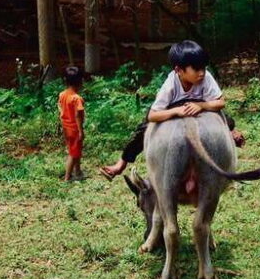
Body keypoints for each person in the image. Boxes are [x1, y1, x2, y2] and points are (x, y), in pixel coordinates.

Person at [100, 40, 244, 180]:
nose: (201, 73)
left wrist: (201, 106)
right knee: (142, 131)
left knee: (228, 120)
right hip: (174, 109)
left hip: (201, 109)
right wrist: (176, 112)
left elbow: (220, 102)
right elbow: (152, 115)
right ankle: (121, 164)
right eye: (196, 69)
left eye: (203, 68)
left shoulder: (206, 77)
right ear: (179, 70)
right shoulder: (170, 84)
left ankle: (229, 133)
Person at [58, 66, 86, 181]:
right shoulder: (77, 98)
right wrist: (81, 131)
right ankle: (67, 177)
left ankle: (78, 171)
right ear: (80, 82)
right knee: (73, 154)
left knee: (75, 150)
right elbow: (78, 115)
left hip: (66, 127)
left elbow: (59, 106)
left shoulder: (62, 95)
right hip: (74, 129)